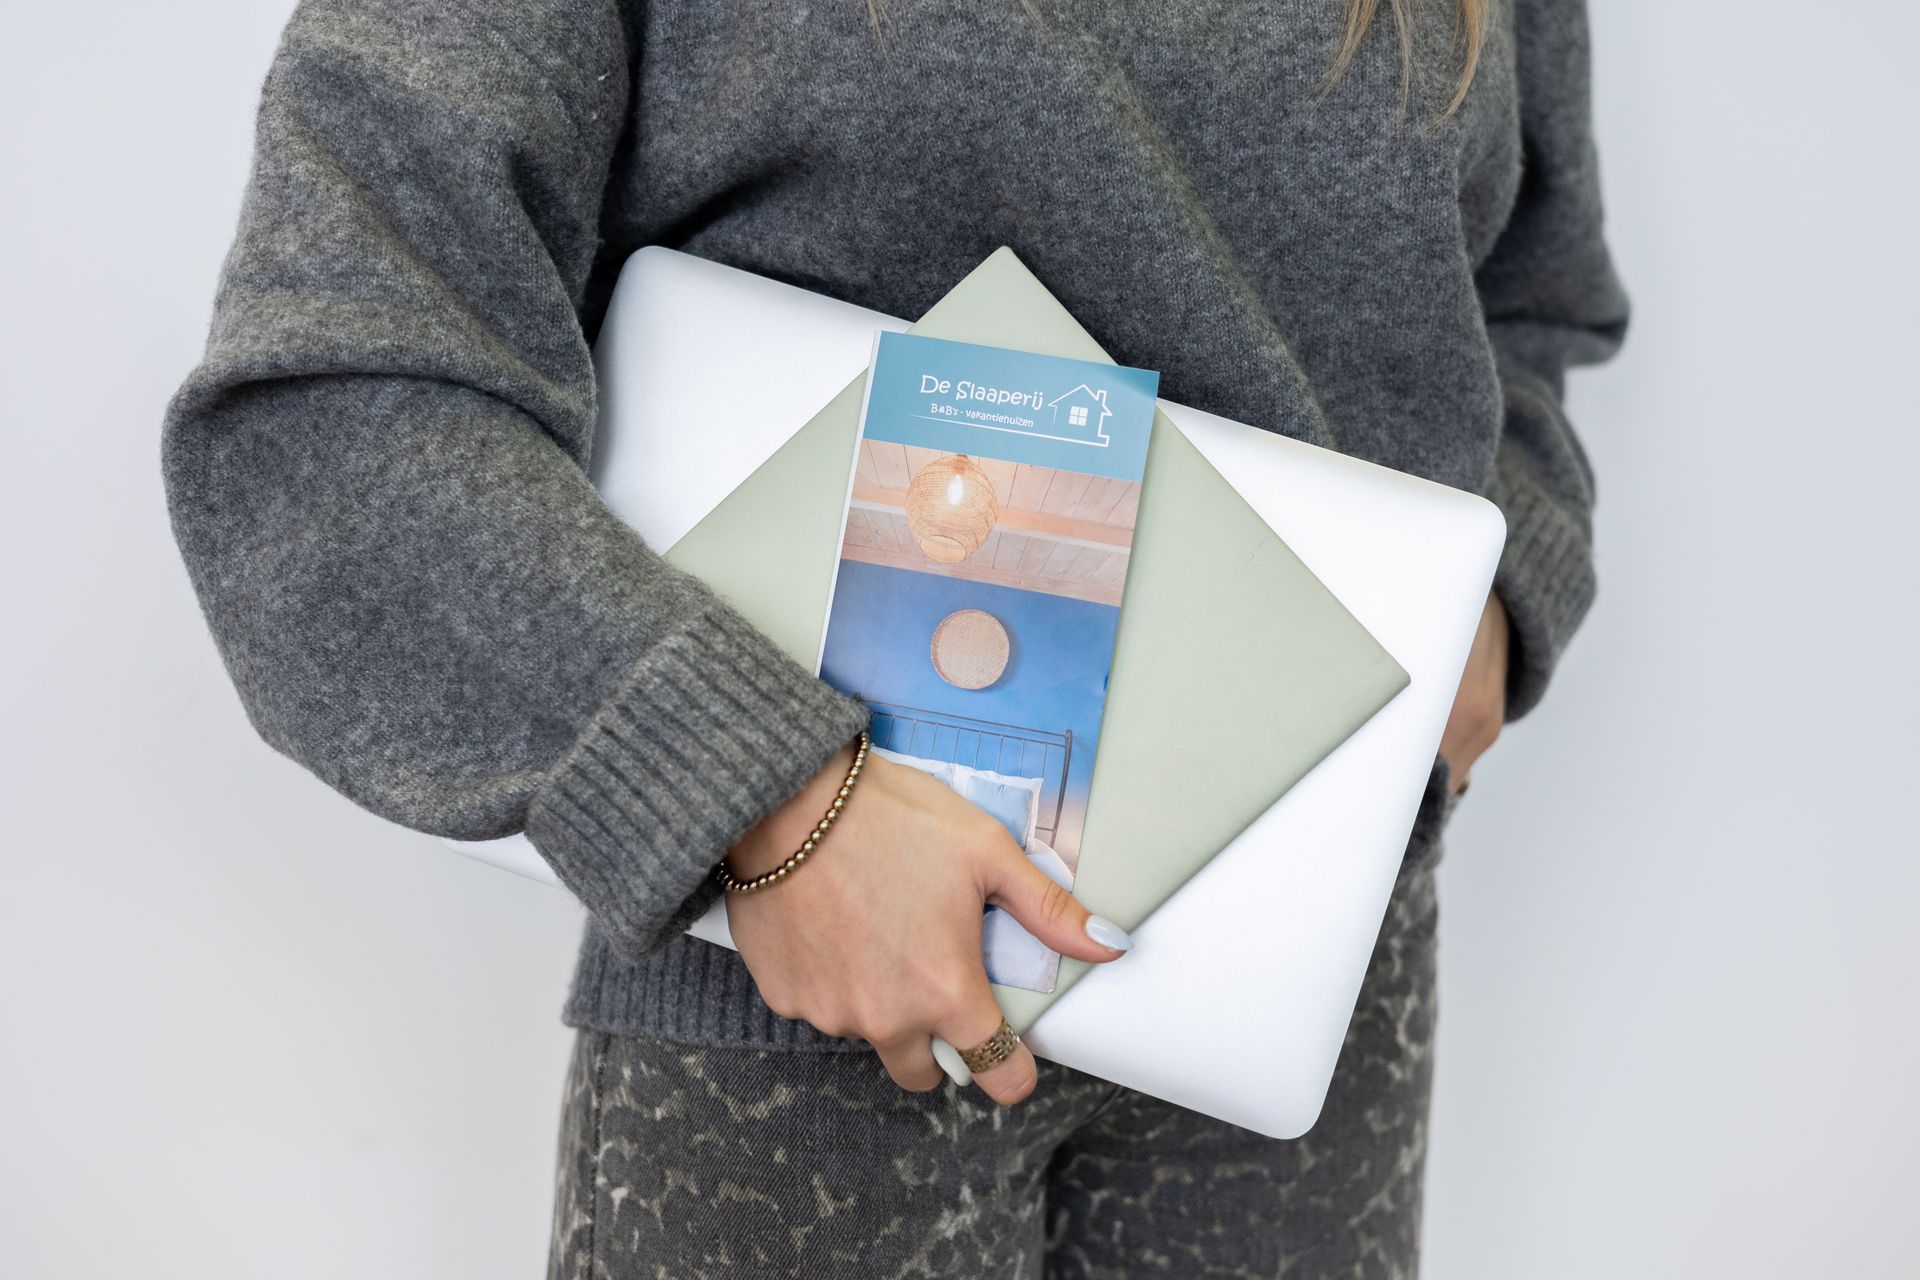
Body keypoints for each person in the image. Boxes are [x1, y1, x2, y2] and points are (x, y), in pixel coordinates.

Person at [162, 0, 1626, 1273]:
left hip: (1303, 991)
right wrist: (758, 796)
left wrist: (1500, 595)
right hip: (794, 1027)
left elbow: (1527, 299)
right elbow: (335, 402)